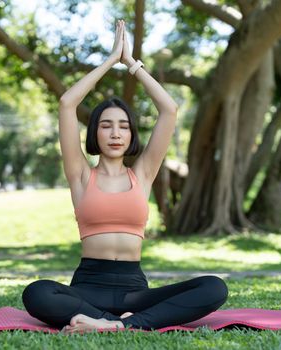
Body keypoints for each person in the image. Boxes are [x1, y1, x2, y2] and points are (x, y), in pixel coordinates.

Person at [21, 20, 228, 334]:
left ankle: (116, 325)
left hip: (136, 291)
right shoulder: (79, 175)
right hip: (88, 288)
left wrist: (131, 64)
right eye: (106, 125)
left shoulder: (142, 174)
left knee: (214, 287)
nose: (115, 133)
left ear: (132, 134)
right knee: (37, 293)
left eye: (123, 126)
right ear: (95, 133)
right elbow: (67, 104)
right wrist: (109, 61)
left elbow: (169, 109)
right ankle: (120, 322)